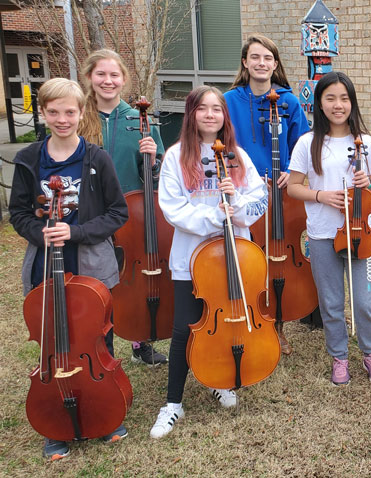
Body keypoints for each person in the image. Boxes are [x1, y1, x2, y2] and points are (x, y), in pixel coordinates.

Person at [9, 78, 129, 459]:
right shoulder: (29, 159)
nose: (63, 119)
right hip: (47, 262)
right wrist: (39, 231)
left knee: (97, 337)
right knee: (53, 340)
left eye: (70, 112)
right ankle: (55, 421)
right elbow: (18, 213)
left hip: (91, 261)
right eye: (54, 112)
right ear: (43, 113)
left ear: (81, 113)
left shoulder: (96, 159)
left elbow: (117, 212)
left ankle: (105, 410)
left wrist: (75, 230)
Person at [150, 86, 267, 439]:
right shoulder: (175, 156)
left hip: (234, 257)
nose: (211, 114)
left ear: (224, 117)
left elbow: (259, 200)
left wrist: (238, 204)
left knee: (225, 320)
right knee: (185, 327)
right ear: (192, 114)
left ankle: (217, 380)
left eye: (217, 109)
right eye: (204, 108)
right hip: (192, 259)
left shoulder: (237, 156)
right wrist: (215, 216)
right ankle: (172, 403)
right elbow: (172, 207)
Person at [287, 72, 371, 386]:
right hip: (322, 234)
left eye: (344, 98)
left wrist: (366, 183)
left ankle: (370, 352)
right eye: (330, 98)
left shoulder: (365, 141)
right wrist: (322, 195)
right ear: (319, 103)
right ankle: (339, 356)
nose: (338, 104)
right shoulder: (307, 142)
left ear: (352, 102)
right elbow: (293, 187)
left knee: (365, 300)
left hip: (361, 234)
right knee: (330, 301)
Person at [78, 48, 168, 365]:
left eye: (114, 75)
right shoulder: (77, 118)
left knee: (135, 276)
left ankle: (139, 341)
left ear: (124, 80)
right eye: (101, 74)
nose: (108, 81)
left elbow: (156, 178)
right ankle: (100, 346)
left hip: (133, 212)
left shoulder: (139, 119)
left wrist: (153, 158)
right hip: (90, 214)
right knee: (96, 281)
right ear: (89, 77)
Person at [223, 34, 311, 355]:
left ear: (275, 64)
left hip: (283, 192)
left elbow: (303, 144)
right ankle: (253, 318)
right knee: (249, 259)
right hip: (246, 193)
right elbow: (221, 145)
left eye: (268, 58)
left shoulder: (288, 102)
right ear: (245, 63)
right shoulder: (229, 101)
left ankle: (278, 325)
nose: (261, 63)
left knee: (280, 260)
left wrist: (291, 169)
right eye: (255, 57)